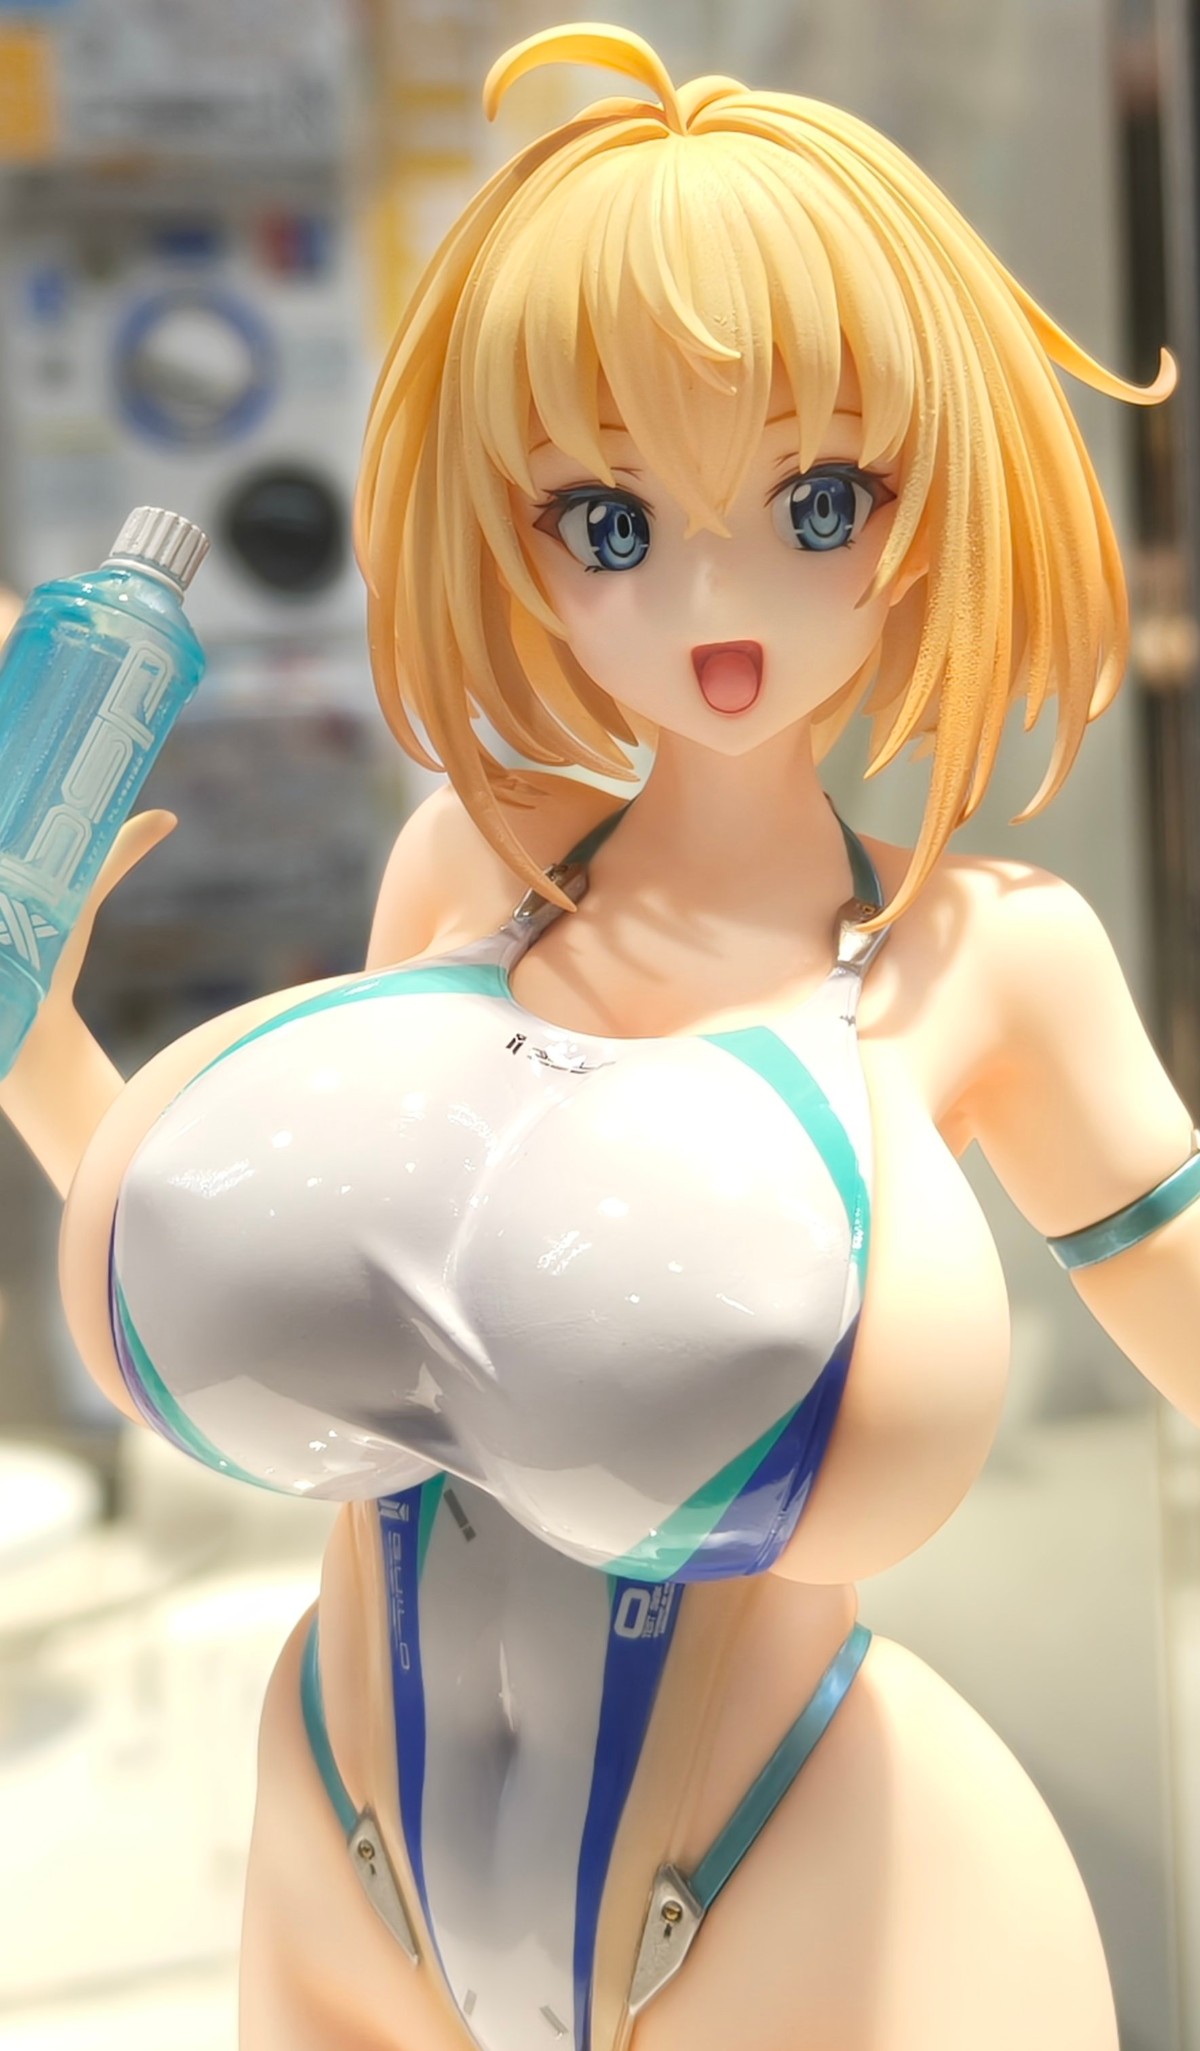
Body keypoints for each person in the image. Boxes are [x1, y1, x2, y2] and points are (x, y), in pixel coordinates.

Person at [1, 22, 1194, 2051]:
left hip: (803, 1902)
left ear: (936, 498)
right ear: (514, 528)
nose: (715, 591)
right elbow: (336, 1278)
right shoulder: (473, 862)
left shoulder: (991, 960)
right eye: (611, 520)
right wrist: (37, 1048)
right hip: (335, 1852)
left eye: (818, 495)